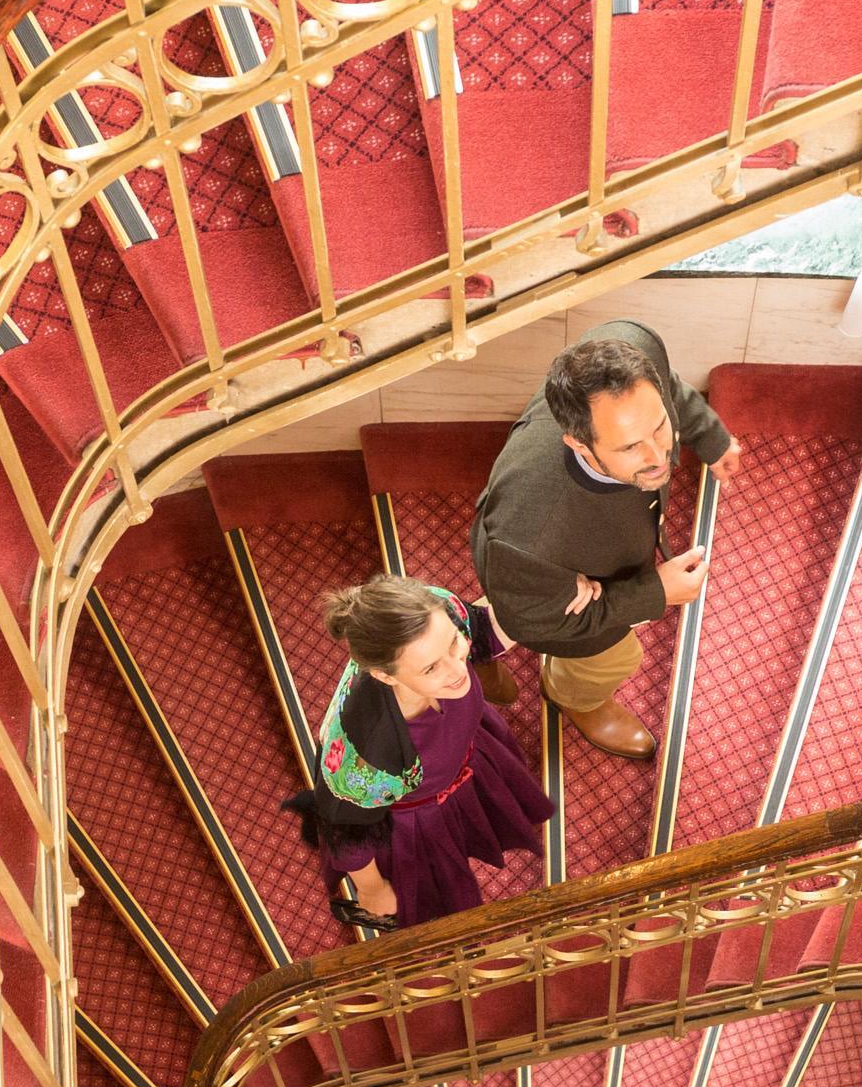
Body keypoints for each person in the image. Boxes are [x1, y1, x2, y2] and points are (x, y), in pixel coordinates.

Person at [469, 323, 747, 761]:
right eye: (631, 448)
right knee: (615, 658)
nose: (660, 458)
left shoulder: (630, 351)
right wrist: (655, 592)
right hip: (529, 575)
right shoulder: (535, 532)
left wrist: (709, 437)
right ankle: (573, 696)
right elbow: (531, 622)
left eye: (659, 430)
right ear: (579, 443)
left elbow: (668, 387)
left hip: (547, 569)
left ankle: (475, 639)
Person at [284, 574, 553, 933]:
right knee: (438, 899)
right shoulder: (368, 760)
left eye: (453, 645)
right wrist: (373, 889)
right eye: (430, 667)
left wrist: (562, 595)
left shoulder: (437, 609)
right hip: (417, 818)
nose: (460, 669)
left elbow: (476, 627)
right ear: (384, 675)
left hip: (464, 757)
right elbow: (347, 830)